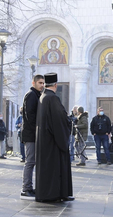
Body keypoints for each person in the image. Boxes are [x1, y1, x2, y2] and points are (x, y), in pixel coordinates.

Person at [35, 72, 73, 202]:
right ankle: (54, 194)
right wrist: (68, 123)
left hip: (45, 140)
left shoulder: (42, 97)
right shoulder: (53, 98)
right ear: (55, 85)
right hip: (53, 142)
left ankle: (47, 193)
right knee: (55, 169)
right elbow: (60, 120)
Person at [20, 74, 44, 200]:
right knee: (30, 162)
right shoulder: (31, 95)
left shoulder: (36, 95)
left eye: (43, 83)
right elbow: (30, 116)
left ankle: (29, 187)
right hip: (30, 135)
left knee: (32, 161)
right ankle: (26, 189)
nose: (42, 85)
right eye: (40, 83)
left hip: (33, 134)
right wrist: (38, 130)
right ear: (33, 82)